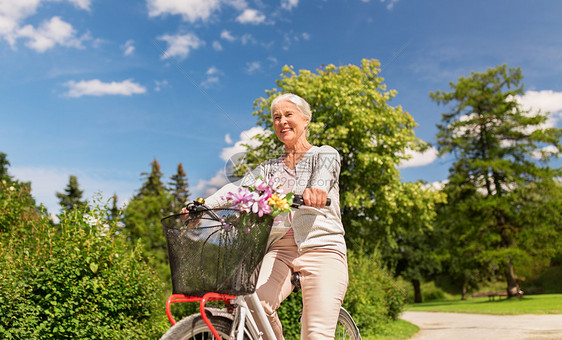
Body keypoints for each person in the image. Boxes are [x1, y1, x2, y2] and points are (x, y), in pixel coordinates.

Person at [183, 93, 348, 339]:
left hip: (322, 247)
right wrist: (203, 205)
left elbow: (323, 177)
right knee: (253, 307)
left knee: (316, 333)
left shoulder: (324, 154)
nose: (282, 121)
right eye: (276, 117)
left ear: (306, 120)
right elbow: (237, 189)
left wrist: (317, 191)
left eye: (288, 115)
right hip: (281, 250)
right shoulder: (269, 168)